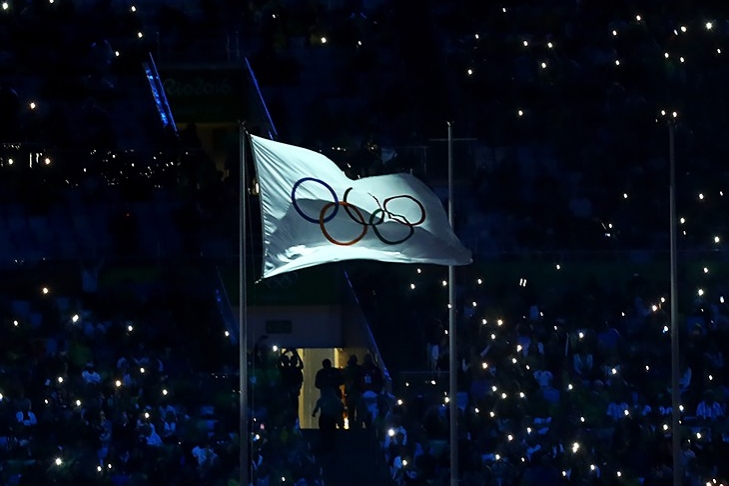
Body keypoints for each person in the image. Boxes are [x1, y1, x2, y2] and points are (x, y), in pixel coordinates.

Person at [312, 387, 344, 453]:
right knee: (331, 432)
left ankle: (324, 444)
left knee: (324, 432)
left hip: (324, 417)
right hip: (331, 418)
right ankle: (331, 445)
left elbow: (318, 405)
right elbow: (341, 407)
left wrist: (314, 412)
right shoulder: (336, 399)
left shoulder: (323, 398)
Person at [343, 355, 363, 427]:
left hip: (350, 393)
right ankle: (358, 426)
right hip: (357, 392)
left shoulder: (347, 370)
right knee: (359, 411)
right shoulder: (359, 369)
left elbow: (344, 380)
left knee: (351, 411)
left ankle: (351, 426)